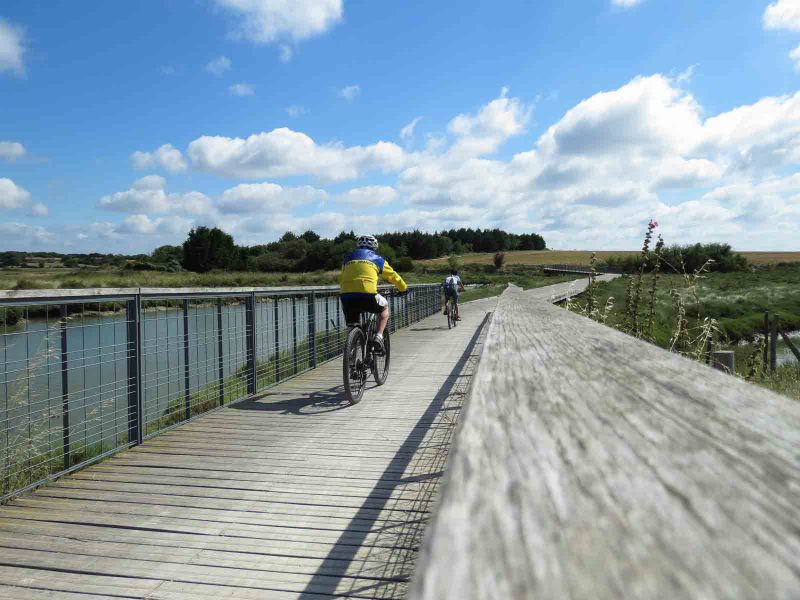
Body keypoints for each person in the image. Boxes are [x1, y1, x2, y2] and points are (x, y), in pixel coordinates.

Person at [339, 235, 407, 353]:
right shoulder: (378, 259)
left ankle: (351, 360)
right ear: (374, 247)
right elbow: (393, 276)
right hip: (368, 294)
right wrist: (403, 288)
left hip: (346, 295)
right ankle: (379, 337)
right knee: (384, 309)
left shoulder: (347, 258)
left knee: (352, 327)